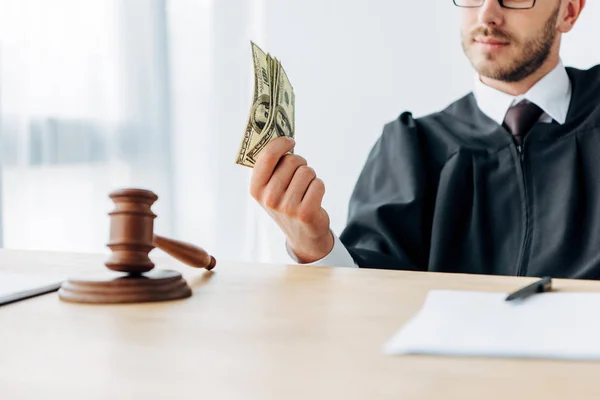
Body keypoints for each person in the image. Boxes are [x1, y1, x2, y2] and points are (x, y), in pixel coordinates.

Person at [249, 0, 600, 279]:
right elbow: (370, 299)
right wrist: (315, 247)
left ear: (568, 11)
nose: (487, 14)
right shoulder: (413, 148)